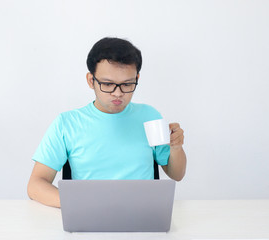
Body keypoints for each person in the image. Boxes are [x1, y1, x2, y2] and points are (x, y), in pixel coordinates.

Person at [27, 37, 186, 208]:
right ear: (91, 81)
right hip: (88, 213)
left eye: (127, 84)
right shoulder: (67, 123)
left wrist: (176, 148)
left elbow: (176, 174)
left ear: (137, 78)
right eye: (108, 84)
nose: (117, 93)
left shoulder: (150, 116)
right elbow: (36, 185)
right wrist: (78, 204)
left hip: (142, 213)